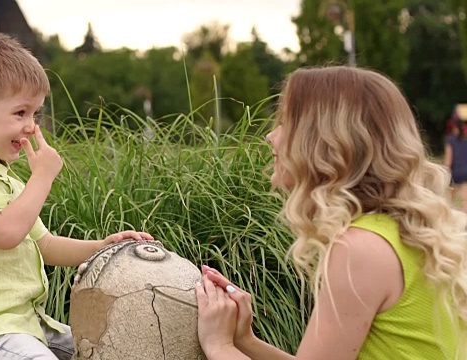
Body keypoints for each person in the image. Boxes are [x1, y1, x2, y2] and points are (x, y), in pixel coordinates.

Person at [195, 66, 467, 360]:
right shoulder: (399, 233)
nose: (270, 137)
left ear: (324, 140)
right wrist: (246, 341)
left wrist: (219, 346)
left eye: (286, 121)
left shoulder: (359, 250)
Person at [0, 32, 153, 360]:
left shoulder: (11, 183)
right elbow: (5, 234)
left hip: (29, 326)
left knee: (114, 348)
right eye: (20, 113)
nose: (31, 127)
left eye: (35, 114)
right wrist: (42, 176)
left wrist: (103, 247)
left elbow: (45, 245)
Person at [443, 110, 467, 212]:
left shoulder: (450, 139)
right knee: (465, 201)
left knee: (449, 201)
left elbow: (448, 160)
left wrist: (444, 172)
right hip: (466, 172)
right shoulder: (466, 138)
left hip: (455, 173)